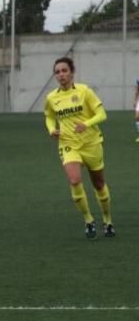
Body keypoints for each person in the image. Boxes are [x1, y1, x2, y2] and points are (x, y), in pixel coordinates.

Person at [43, 56, 113, 239]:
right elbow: (49, 116)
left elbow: (102, 114)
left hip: (91, 143)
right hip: (68, 144)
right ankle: (89, 221)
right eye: (57, 72)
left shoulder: (84, 91)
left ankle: (107, 220)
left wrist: (87, 123)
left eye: (64, 71)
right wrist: (51, 129)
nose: (61, 75)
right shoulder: (52, 98)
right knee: (74, 180)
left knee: (98, 184)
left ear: (72, 72)